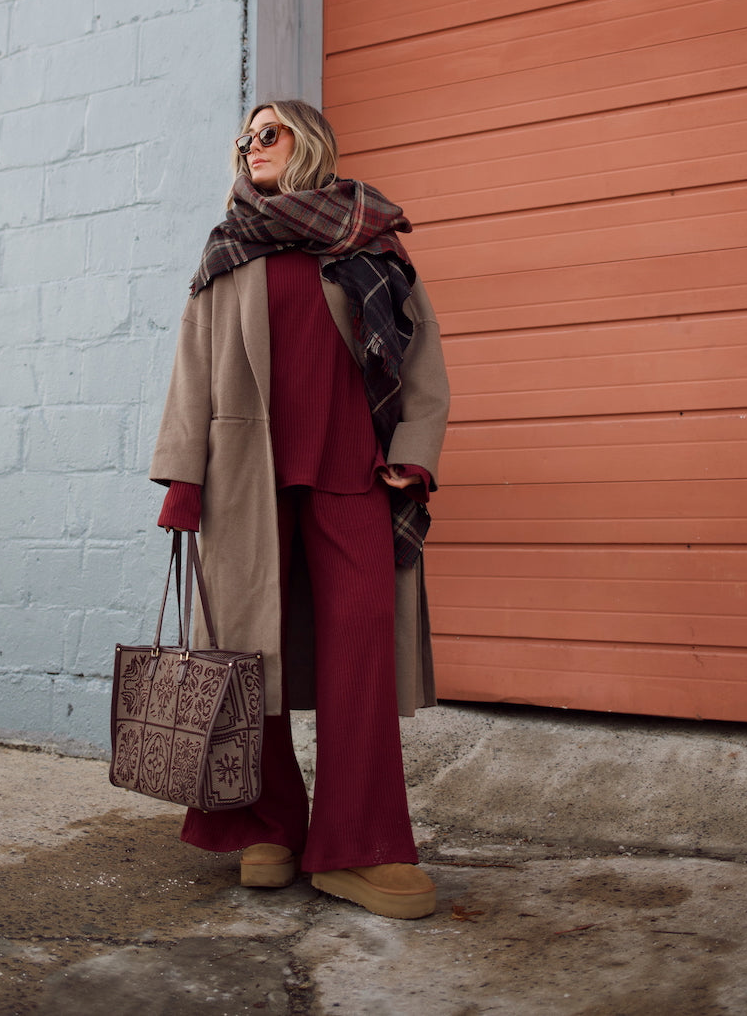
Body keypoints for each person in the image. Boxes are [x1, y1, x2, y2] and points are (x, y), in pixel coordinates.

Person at [149, 99, 450, 920]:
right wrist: (182, 477)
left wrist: (414, 451)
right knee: (248, 660)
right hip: (246, 479)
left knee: (360, 659)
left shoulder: (370, 243)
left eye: (268, 132)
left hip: (355, 475)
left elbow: (418, 354)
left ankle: (359, 846)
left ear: (309, 143)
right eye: (243, 136)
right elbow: (194, 368)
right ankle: (268, 827)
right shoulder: (229, 249)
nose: (251, 145)